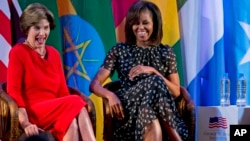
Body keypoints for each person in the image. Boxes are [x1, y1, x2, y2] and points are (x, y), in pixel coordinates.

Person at [90, 1, 189, 141]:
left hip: (156, 113)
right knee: (154, 82)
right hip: (128, 113)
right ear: (130, 25)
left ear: (154, 24)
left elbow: (176, 91)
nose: (140, 27)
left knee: (151, 112)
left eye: (145, 23)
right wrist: (110, 95)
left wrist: (154, 71)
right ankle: (177, 137)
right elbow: (94, 84)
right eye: (136, 23)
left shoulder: (166, 52)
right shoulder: (120, 50)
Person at [7, 3, 95, 141]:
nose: (42, 33)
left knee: (71, 122)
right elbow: (14, 92)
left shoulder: (54, 54)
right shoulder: (18, 52)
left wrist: (68, 111)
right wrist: (25, 123)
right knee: (77, 102)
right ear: (27, 29)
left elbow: (62, 92)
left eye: (46, 28)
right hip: (33, 112)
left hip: (56, 112)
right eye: (37, 28)